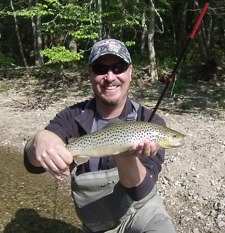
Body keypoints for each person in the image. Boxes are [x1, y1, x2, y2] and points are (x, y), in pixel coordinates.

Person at [24, 38, 176, 233]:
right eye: (100, 68)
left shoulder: (150, 121)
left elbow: (140, 192)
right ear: (90, 74)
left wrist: (124, 156)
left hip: (140, 212)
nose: (110, 77)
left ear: (130, 72)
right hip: (96, 225)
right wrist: (37, 141)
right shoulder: (72, 117)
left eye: (118, 67)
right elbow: (33, 166)